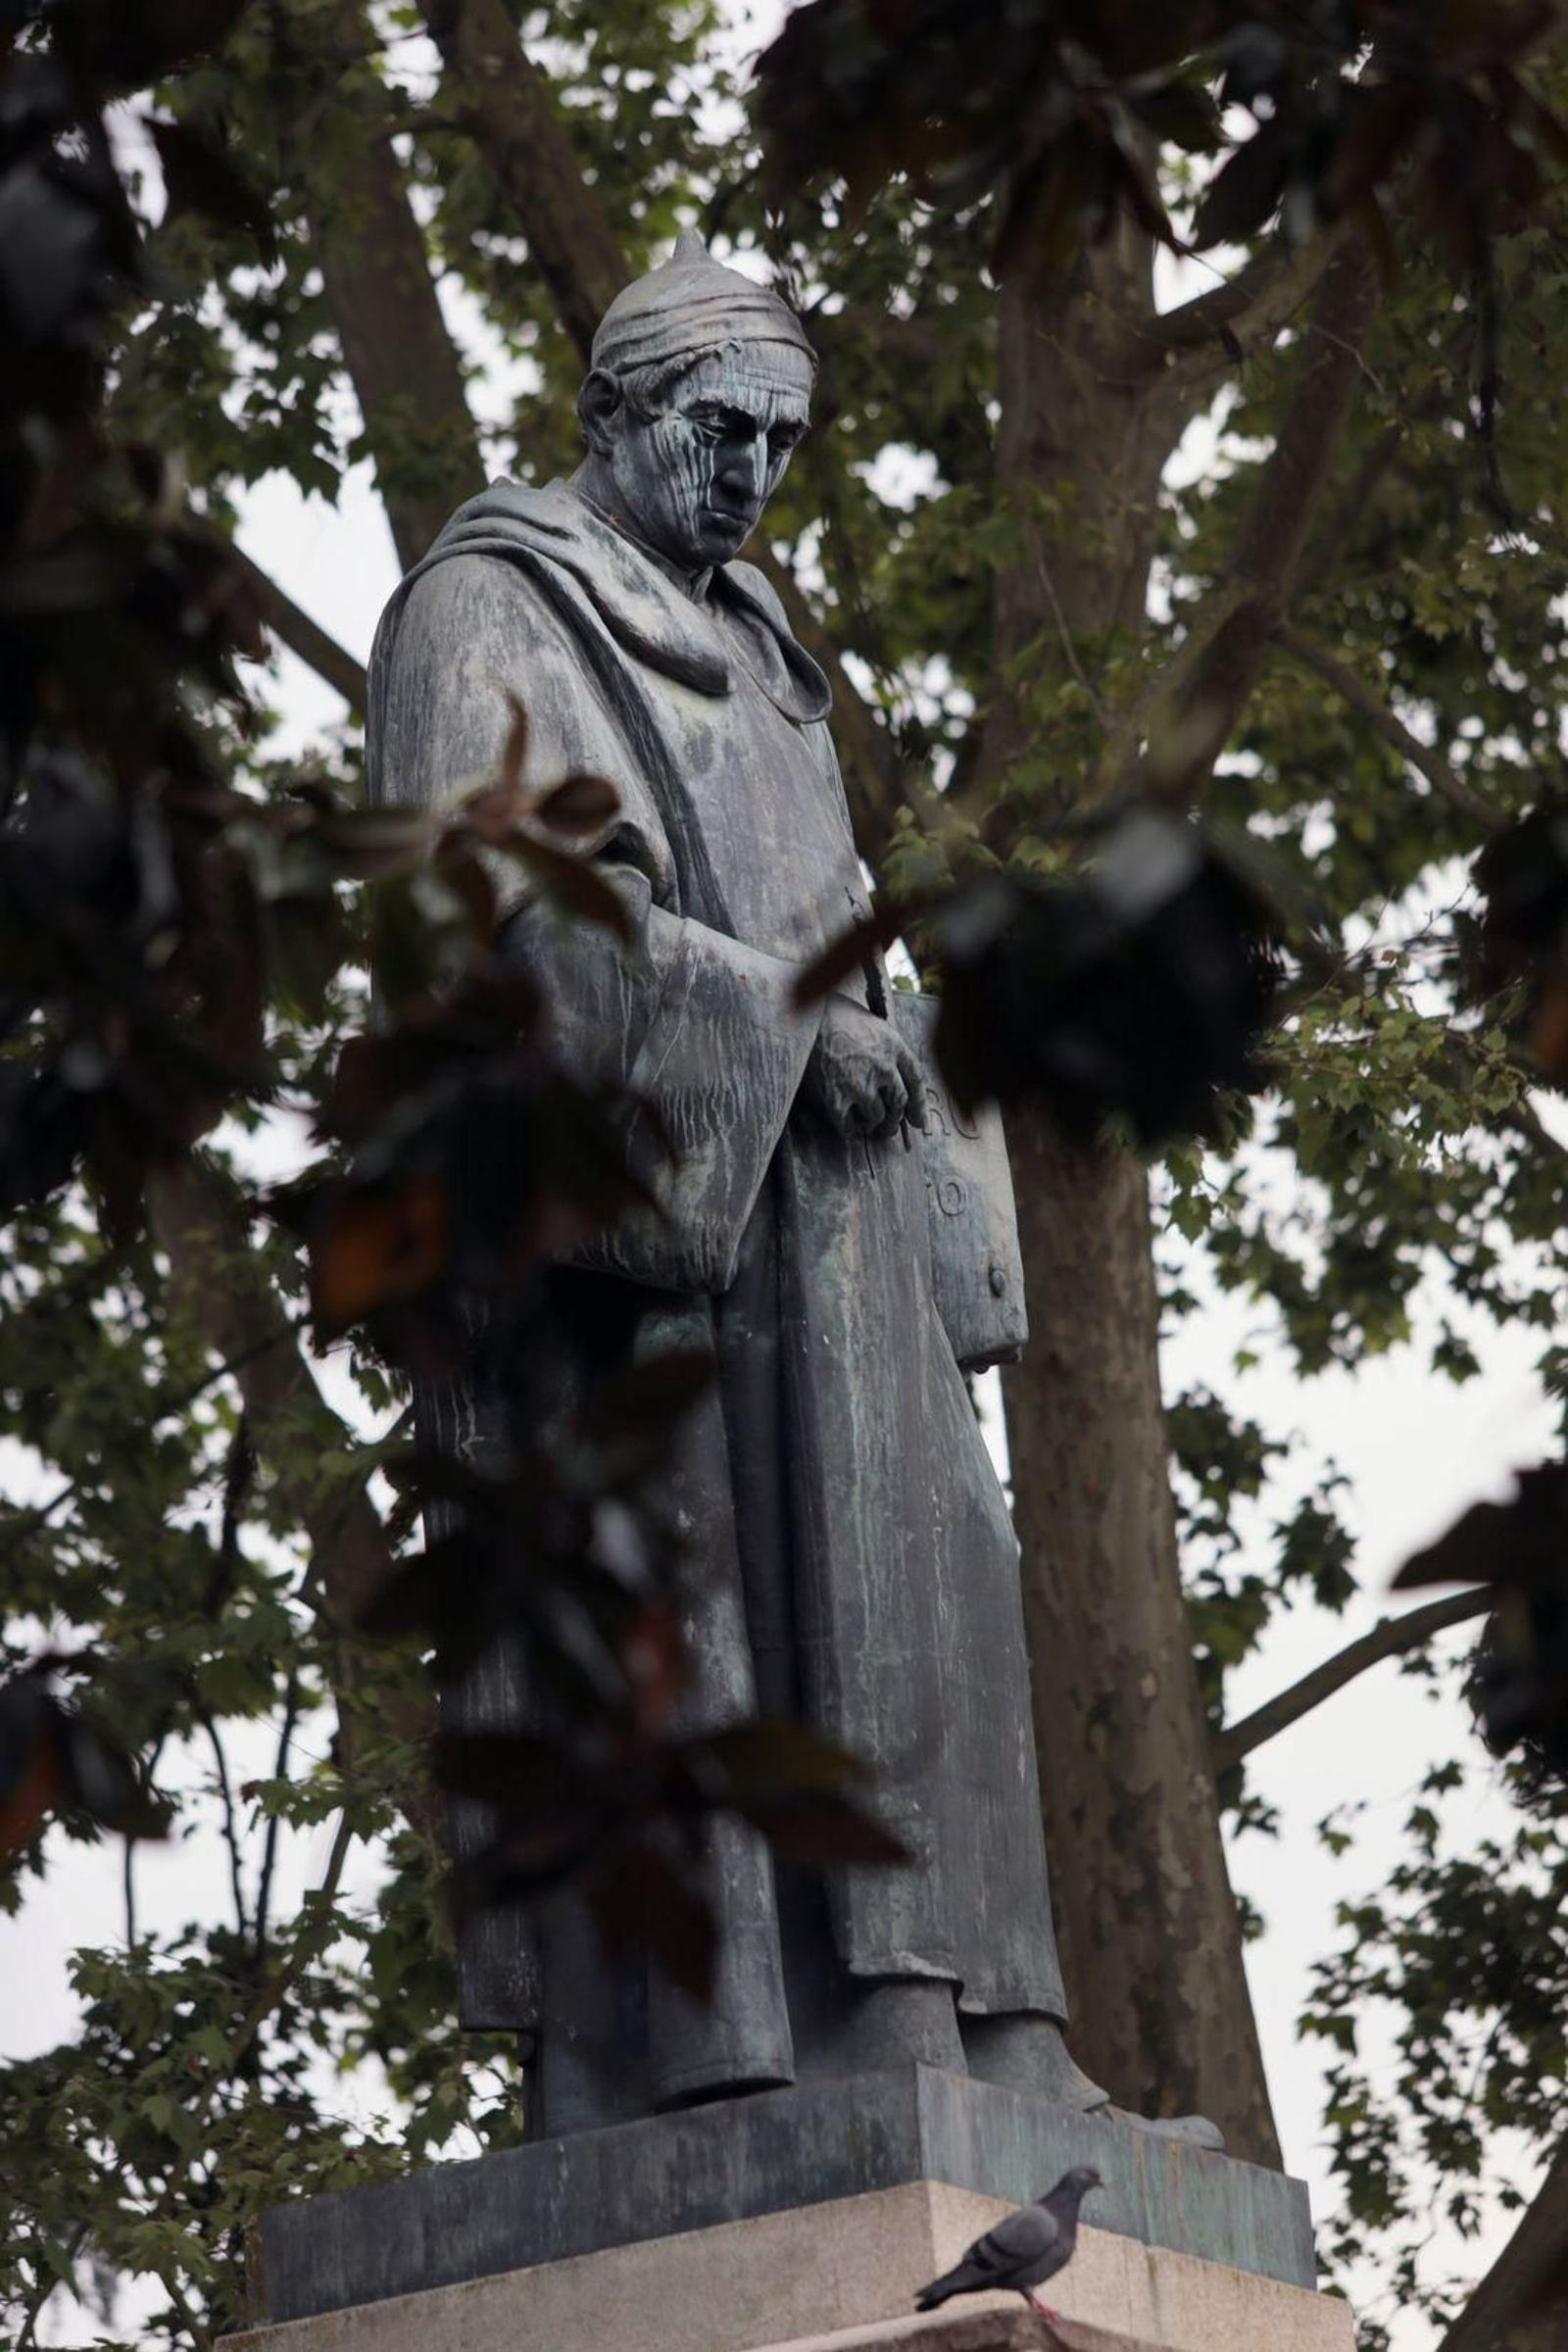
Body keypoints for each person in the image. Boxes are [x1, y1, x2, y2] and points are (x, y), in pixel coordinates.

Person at [368, 233, 1208, 2145]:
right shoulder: (491, 612)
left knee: (945, 1590)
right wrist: (759, 1024)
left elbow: (836, 915)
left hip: (836, 1218)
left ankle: (970, 2009)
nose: (746, 477)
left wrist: (894, 1042)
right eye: (715, 431)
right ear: (620, 411)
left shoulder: (764, 645)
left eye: (778, 443)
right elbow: (487, 921)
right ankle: (782, 2038)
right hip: (652, 1261)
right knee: (724, 1619)